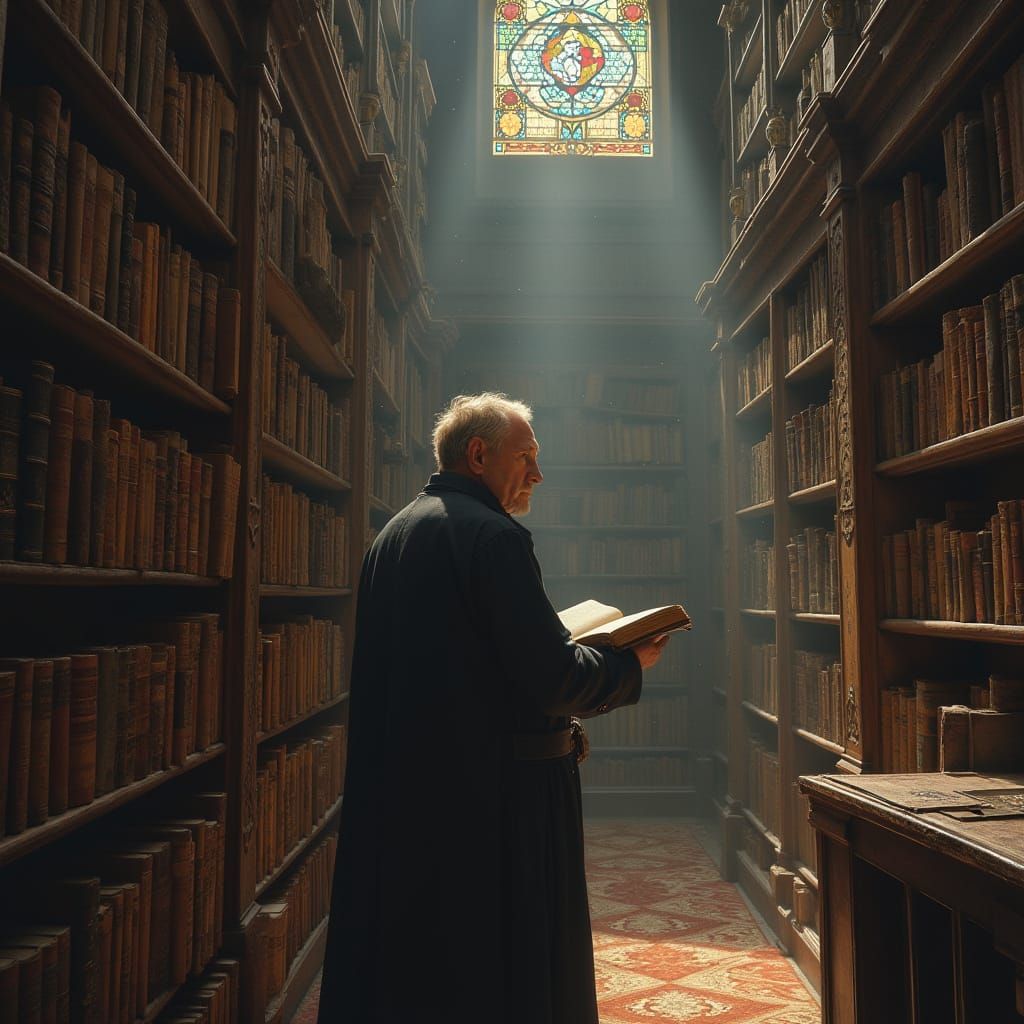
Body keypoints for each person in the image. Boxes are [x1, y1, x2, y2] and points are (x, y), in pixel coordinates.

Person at [316, 392, 669, 1024]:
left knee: (425, 970)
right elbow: (554, 681)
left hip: (412, 796)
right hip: (496, 804)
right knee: (506, 974)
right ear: (479, 455)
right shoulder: (494, 537)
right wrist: (625, 663)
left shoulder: (393, 533)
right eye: (527, 456)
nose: (537, 474)